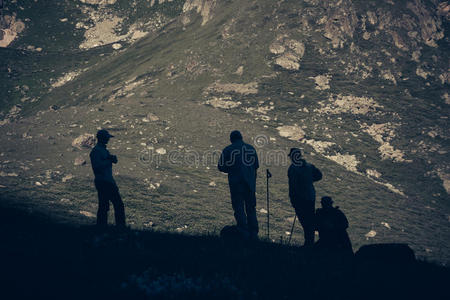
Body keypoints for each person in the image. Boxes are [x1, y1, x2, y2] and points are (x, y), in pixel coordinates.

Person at [218, 130, 259, 239]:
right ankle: (253, 233)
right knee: (251, 208)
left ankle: (243, 230)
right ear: (241, 137)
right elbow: (256, 166)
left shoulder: (228, 150)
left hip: (236, 183)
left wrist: (231, 169)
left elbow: (221, 167)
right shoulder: (251, 149)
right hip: (250, 184)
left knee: (239, 207)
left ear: (231, 139)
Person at [89, 129, 126, 227]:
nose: (108, 140)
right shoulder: (97, 151)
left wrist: (111, 159)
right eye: (107, 138)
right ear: (102, 138)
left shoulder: (102, 150)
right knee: (116, 205)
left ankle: (102, 226)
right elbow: (97, 167)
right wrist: (109, 160)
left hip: (106, 181)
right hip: (104, 181)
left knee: (105, 205)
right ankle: (119, 227)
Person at [288, 148, 322, 246]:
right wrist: (309, 181)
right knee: (309, 219)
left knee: (304, 220)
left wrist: (293, 198)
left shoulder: (293, 168)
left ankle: (308, 243)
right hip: (310, 196)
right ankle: (310, 242)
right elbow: (319, 175)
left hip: (299, 198)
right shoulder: (309, 166)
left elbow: (293, 186)